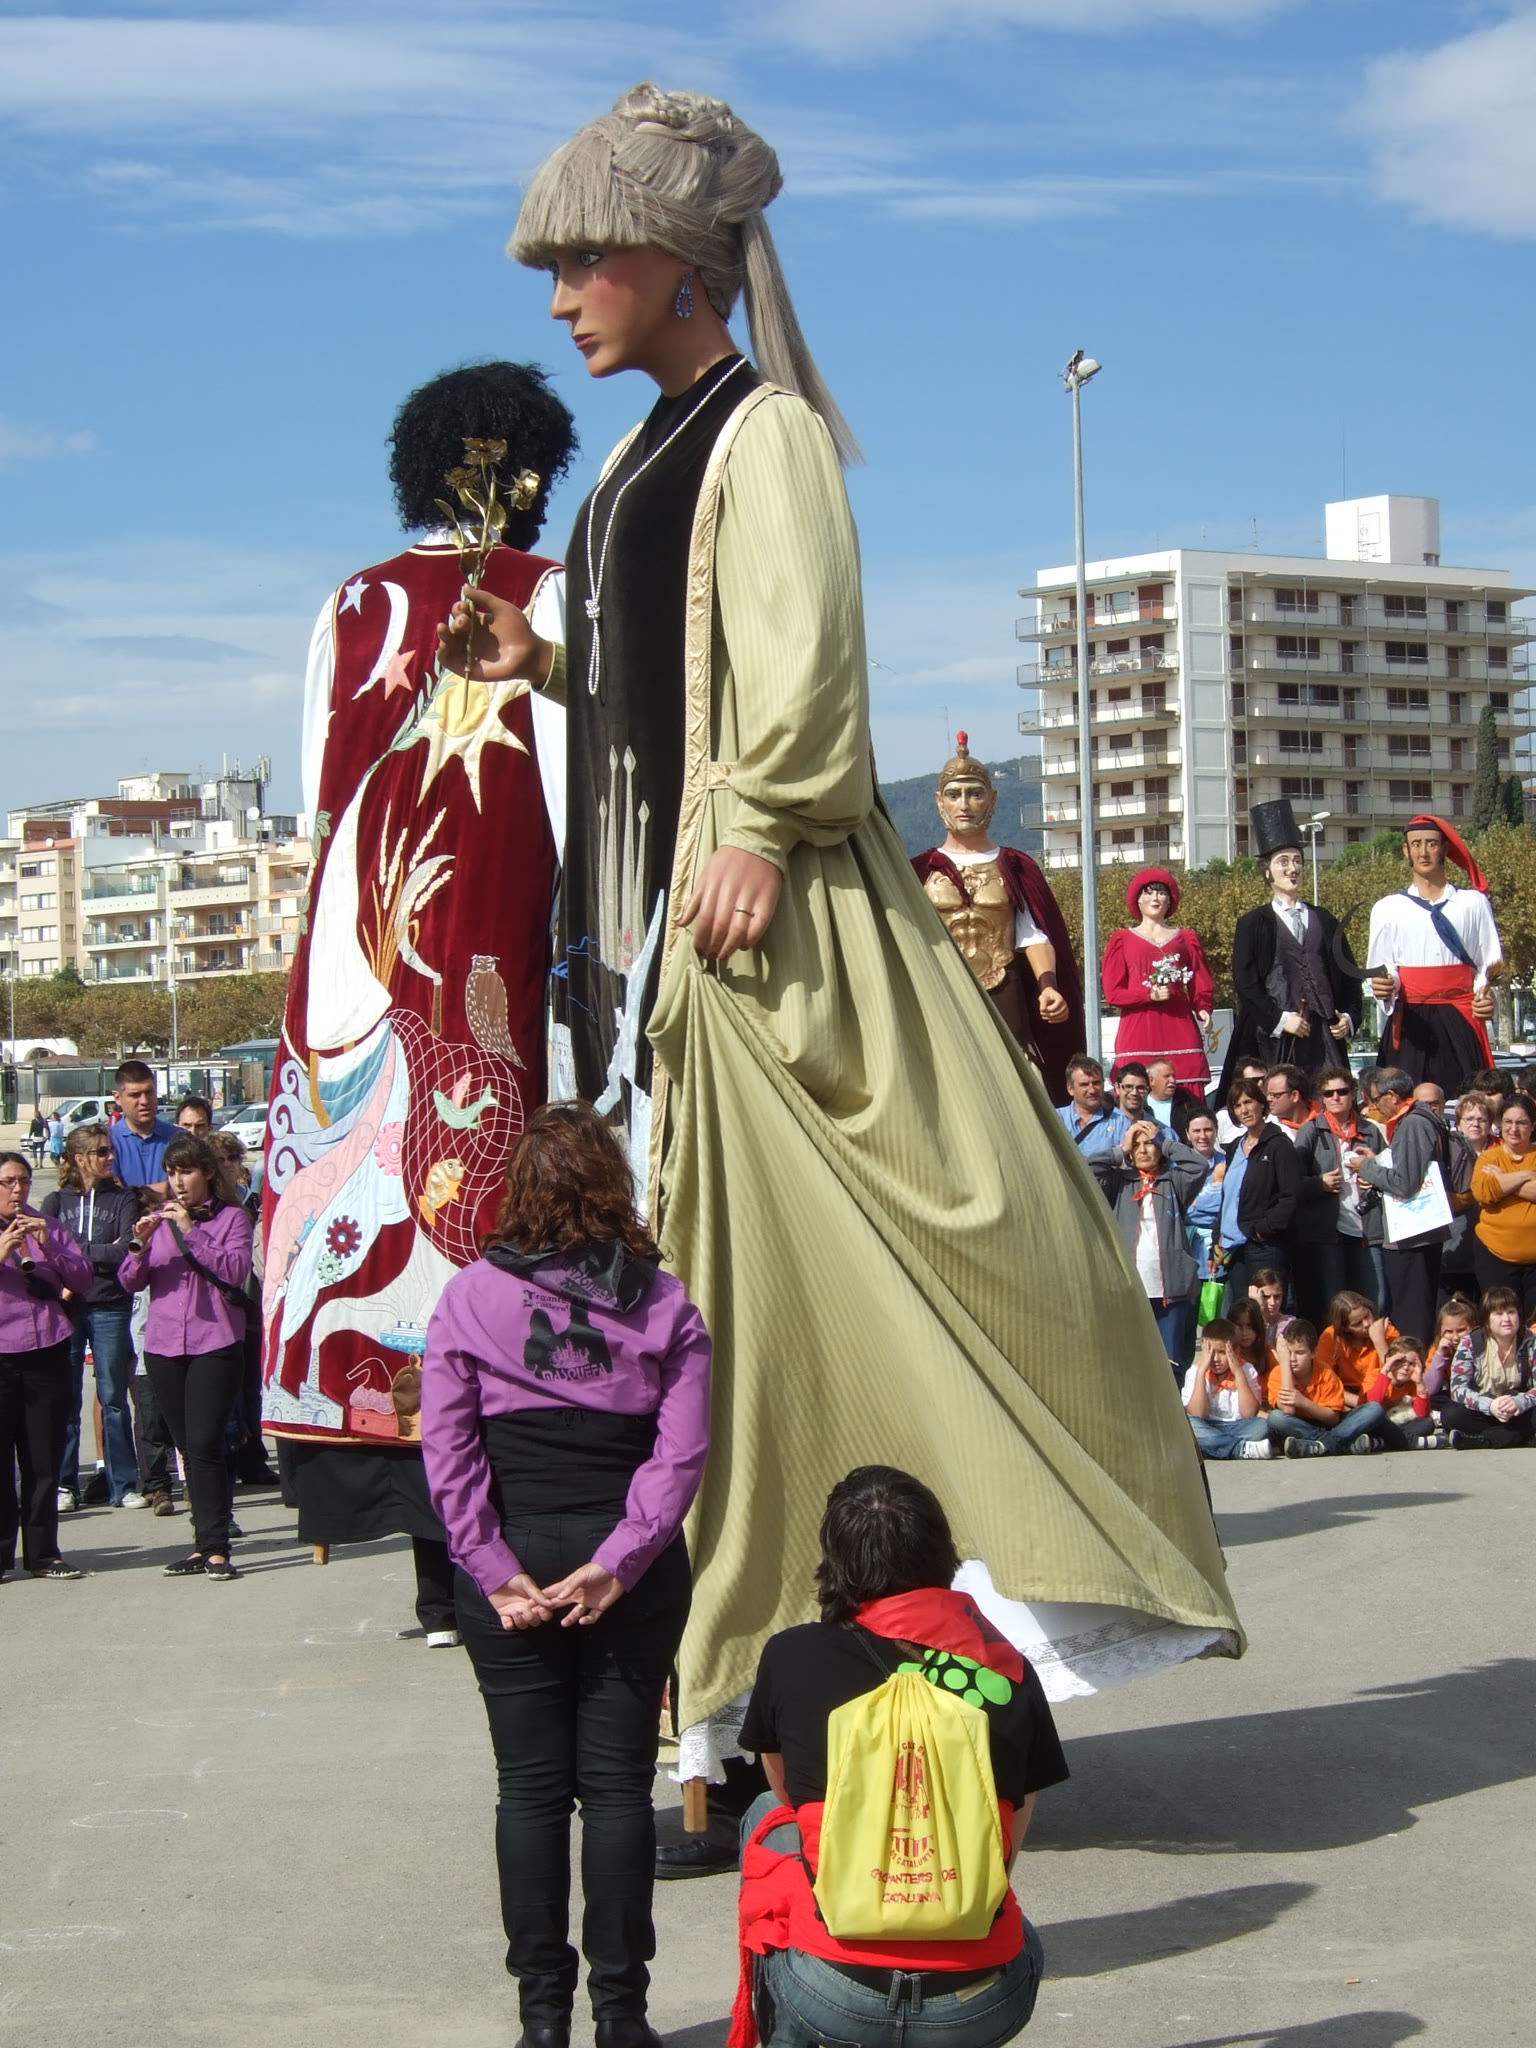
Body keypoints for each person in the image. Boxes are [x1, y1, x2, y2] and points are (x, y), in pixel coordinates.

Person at [442, 82, 1240, 1756]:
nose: (560, 297)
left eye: (582, 261)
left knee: (820, 1292)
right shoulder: (637, 459)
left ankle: (799, 1669)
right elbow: (681, 682)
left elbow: (805, 672)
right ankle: (726, 1694)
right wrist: (552, 662)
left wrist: (760, 822)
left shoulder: (768, 433)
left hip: (769, 927)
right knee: (718, 1312)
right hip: (674, 940)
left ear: (678, 262)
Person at [261, 361, 577, 1648]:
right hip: (512, 938)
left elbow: (317, 789)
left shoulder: (352, 600)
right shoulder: (553, 593)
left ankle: (429, 1565)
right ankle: (508, 1538)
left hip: (362, 947)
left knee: (381, 1204)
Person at [420, 1102, 711, 2048]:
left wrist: (491, 1566)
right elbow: (680, 1455)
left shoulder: (469, 1296)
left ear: (521, 1191)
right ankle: (622, 2018)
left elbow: (447, 1449)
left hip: (512, 1551)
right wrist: (619, 1563)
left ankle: (542, 2021)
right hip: (626, 1557)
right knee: (619, 1790)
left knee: (531, 1790)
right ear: (611, 1186)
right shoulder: (664, 1303)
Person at [733, 1466, 1064, 2048]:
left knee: (765, 1812)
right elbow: (1007, 1840)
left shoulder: (792, 1656)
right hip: (979, 2000)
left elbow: (786, 1791)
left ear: (837, 1559)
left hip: (834, 1995)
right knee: (1011, 1925)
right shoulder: (1005, 1671)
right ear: (942, 1551)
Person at [911, 733, 1082, 1104]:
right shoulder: (919, 870)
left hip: (1004, 988)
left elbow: (1033, 934)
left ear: (992, 799)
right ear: (939, 801)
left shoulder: (1016, 866)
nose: (964, 804)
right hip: (941, 990)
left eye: (975, 793)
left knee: (1015, 1085)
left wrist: (1048, 985)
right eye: (954, 794)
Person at [119, 1134, 255, 1580]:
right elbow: (129, 1282)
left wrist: (192, 1233)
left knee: (205, 1443)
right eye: (172, 1173)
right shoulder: (158, 1218)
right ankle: (202, 1544)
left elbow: (235, 1270)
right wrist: (139, 1245)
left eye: (187, 1172)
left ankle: (216, 1548)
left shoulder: (232, 1218)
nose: (178, 1182)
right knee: (188, 1449)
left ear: (208, 1174)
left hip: (214, 1343)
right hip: (163, 1346)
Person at [1217, 800, 1362, 1104]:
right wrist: (1281, 1020)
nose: (1292, 868)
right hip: (1273, 1039)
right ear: (1267, 872)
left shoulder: (1325, 919)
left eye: (1297, 861)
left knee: (1331, 1101)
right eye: (1283, 862)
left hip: (1324, 1037)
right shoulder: (1253, 923)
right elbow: (1246, 983)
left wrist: (1349, 1017)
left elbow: (1349, 977)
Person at [0, 1150, 94, 1578]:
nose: (18, 1190)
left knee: (42, 1458)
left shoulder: (48, 1226)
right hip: (2, 1355)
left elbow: (82, 1278)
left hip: (46, 1350)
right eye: (8, 1182)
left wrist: (50, 1245)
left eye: (23, 1181)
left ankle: (43, 1554)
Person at [41, 1124, 144, 1511]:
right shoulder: (56, 1201)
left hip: (110, 1304)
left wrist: (74, 1251)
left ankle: (123, 1484)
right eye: (100, 1152)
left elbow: (125, 1250)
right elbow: (46, 1250)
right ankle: (65, 1484)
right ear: (80, 1158)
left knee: (113, 1396)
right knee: (66, 1398)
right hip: (68, 1308)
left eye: (109, 1150)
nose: (109, 1157)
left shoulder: (123, 1198)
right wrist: (92, 1251)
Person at [1366, 816, 1505, 1093]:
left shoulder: (1473, 903)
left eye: (1431, 844)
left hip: (1460, 1017)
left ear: (1444, 849)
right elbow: (1382, 967)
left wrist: (1486, 997)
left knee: (1468, 1099)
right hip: (1410, 1021)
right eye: (1416, 844)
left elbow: (1490, 963)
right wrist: (1385, 986)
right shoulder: (1387, 908)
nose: (1424, 852)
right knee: (1404, 1100)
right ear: (1406, 850)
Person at [108, 1061, 182, 1517]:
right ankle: (124, 1472)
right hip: (120, 1268)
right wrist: (154, 1190)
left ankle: (172, 1474)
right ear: (118, 1098)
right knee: (117, 1382)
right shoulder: (107, 1142)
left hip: (169, 1264)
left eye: (149, 1092)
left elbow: (180, 1191)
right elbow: (121, 1198)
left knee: (162, 1375)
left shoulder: (174, 1137)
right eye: (134, 1094)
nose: (144, 1101)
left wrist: (141, 1191)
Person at [1089, 1123, 1207, 1371]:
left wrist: (1164, 1141)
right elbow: (1087, 1168)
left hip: (1171, 1290)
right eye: (1137, 1145)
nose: (1143, 1150)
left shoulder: (1173, 1181)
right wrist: (1120, 1150)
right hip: (1131, 1289)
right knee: (1131, 1362)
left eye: (1149, 1144)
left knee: (1172, 1362)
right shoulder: (1119, 1182)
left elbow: (1199, 1165)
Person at [1348, 1066, 1451, 1346]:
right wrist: (1378, 1160)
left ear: (1392, 1096)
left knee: (1412, 1315)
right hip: (1418, 1233)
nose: (1374, 1106)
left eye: (1375, 1099)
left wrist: (1366, 1167)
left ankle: (1414, 1365)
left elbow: (1405, 1183)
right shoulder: (1420, 1118)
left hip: (1413, 1235)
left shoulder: (1413, 1123)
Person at [1101, 868, 1214, 1090]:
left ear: (1170, 900)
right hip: (1138, 1029)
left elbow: (1200, 980)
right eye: (1148, 893)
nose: (1155, 898)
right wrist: (1148, 994)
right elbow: (1113, 993)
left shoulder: (1186, 938)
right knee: (1136, 1090)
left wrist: (1203, 1007)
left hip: (1180, 1025)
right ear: (1137, 900)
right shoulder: (1122, 939)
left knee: (1185, 1095)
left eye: (1161, 893)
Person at [1292, 1066, 1384, 1329]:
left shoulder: (1370, 1130)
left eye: (1342, 1092)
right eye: (1328, 1093)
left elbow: (1390, 1175)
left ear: (1353, 1094)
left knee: (1375, 1300)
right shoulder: (1311, 1131)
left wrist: (1373, 1173)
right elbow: (1292, 1182)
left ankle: (1372, 1351)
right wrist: (1318, 1184)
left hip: (1367, 1229)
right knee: (1333, 1305)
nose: (1335, 1097)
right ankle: (1333, 1351)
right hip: (1328, 1233)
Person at [1215, 1078, 1303, 1309]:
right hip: (1234, 1248)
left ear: (1261, 1104)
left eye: (1248, 1102)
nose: (1244, 1110)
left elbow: (1291, 1196)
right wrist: (1218, 1237)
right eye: (1237, 1105)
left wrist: (1262, 1229)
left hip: (1264, 1246)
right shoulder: (1235, 1146)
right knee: (1244, 1314)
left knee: (1268, 1311)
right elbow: (1228, 1197)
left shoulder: (1279, 1145)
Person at [1262, 1319, 1384, 1457]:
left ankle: (1320, 1446)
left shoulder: (1325, 1373)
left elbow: (1333, 1418)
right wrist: (1284, 1364)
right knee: (1276, 1418)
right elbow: (1288, 1410)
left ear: (1313, 1352)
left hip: (1329, 1423)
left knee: (1374, 1408)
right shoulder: (1278, 1373)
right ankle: (1341, 1444)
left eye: (1300, 1353)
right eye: (1288, 1353)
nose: (1293, 1359)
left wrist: (1304, 1403)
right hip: (1300, 1425)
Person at [1441, 1288, 1536, 1449]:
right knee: (1451, 1415)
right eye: (1499, 1314)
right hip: (1484, 1408)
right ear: (1486, 1319)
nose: (1506, 1319)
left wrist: (1520, 1402)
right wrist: (1489, 1406)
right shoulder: (1470, 1342)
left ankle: (1483, 1440)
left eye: (1511, 1312)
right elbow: (1458, 1389)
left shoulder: (1530, 1341)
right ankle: (1521, 1436)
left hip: (1517, 1410)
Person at [1469, 1094, 1536, 1322]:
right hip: (1494, 1256)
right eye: (1508, 1121)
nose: (1513, 1129)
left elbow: (1495, 1188)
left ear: (1533, 1125)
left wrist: (1504, 1181)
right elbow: (1483, 1192)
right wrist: (1526, 1176)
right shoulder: (1489, 1158)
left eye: (1521, 1122)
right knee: (1502, 1321)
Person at [1181, 1320, 1271, 1460]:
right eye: (1210, 1353)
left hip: (1237, 1426)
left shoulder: (1246, 1370)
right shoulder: (1195, 1372)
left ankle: (1212, 1447)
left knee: (1262, 1425)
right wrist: (1201, 1372)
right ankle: (1241, 1449)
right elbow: (1198, 1414)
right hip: (1206, 1425)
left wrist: (1238, 1374)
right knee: (1190, 1425)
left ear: (1236, 1351)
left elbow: (1249, 1413)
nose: (1215, 1359)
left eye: (1222, 1352)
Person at [1439, 1093, 1491, 1305]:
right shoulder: (1446, 1153)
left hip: (1489, 1250)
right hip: (1454, 1249)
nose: (1475, 1124)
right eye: (1469, 1119)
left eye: (1482, 1119)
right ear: (1458, 1122)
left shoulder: (1499, 1153)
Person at [1315, 1292, 1397, 1411]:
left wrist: (1379, 1341)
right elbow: (1323, 1382)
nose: (1367, 1324)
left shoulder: (1388, 1331)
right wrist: (1360, 1403)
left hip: (1383, 1397)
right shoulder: (1330, 1337)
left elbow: (1396, 1378)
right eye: (1357, 1324)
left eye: (1367, 1316)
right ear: (1345, 1328)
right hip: (1348, 1400)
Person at [1358, 1336, 1442, 1450]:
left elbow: (1422, 1413)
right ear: (1388, 1360)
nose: (1406, 1367)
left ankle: (1381, 1443)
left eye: (1412, 1364)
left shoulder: (1412, 1383)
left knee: (1427, 1422)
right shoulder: (1375, 1375)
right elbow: (1374, 1402)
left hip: (1396, 1426)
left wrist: (1419, 1382)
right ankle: (1409, 1442)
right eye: (1399, 1362)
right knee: (1377, 1418)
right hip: (1374, 1423)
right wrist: (1385, 1370)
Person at [1424, 1296, 1478, 1421]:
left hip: (1477, 1394)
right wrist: (1440, 1355)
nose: (1455, 1337)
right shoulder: (1438, 1348)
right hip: (1454, 1397)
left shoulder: (1480, 1343)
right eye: (1449, 1331)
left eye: (1461, 1330)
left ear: (1473, 1326)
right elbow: (1429, 1389)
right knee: (1427, 1398)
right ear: (1440, 1331)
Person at [1263, 1064, 1313, 1143]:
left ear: (1295, 1096)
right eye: (1268, 1094)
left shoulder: (1326, 1122)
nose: (1268, 1099)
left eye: (1275, 1095)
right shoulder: (1263, 1128)